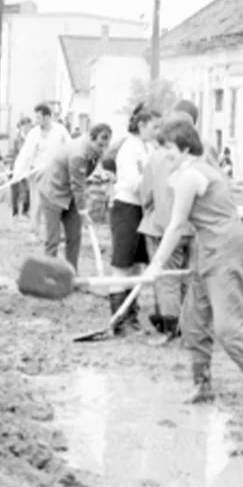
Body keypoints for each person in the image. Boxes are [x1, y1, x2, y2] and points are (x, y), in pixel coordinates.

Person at [144, 117, 243, 415]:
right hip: (206, 247)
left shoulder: (192, 175)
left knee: (228, 326)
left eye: (168, 147)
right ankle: (202, 383)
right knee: (193, 320)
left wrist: (156, 263)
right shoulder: (187, 173)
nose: (165, 154)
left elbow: (177, 224)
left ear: (183, 147)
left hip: (227, 249)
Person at [139, 110, 195, 340]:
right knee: (188, 277)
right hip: (194, 229)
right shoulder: (199, 157)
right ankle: (188, 323)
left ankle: (171, 327)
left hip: (164, 227)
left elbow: (146, 195)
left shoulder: (158, 157)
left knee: (167, 279)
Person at [110, 104, 161, 330]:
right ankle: (119, 317)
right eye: (154, 126)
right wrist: (155, 183)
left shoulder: (148, 147)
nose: (157, 131)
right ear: (141, 125)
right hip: (127, 208)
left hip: (144, 210)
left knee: (138, 264)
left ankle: (132, 311)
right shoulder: (129, 149)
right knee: (123, 263)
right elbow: (133, 182)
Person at [37, 124, 112, 272]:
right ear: (91, 138)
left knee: (74, 237)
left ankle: (71, 275)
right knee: (53, 240)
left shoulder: (94, 149)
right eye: (100, 145)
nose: (103, 149)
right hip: (53, 193)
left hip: (70, 196)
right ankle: (47, 276)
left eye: (106, 146)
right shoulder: (79, 154)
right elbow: (78, 186)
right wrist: (84, 213)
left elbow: (82, 180)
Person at [14, 103, 71, 231]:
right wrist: (18, 172)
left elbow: (69, 148)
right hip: (37, 173)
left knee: (56, 203)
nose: (36, 121)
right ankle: (34, 231)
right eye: (36, 117)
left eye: (39, 117)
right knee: (37, 203)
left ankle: (57, 232)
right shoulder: (34, 133)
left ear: (47, 117)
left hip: (55, 174)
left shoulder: (60, 131)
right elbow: (25, 153)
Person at [8, 116, 33, 217]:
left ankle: (25, 211)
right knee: (15, 191)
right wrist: (10, 167)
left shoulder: (32, 139)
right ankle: (15, 212)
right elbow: (11, 153)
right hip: (16, 168)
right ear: (22, 127)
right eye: (26, 126)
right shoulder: (16, 139)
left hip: (26, 169)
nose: (28, 129)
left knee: (28, 190)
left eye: (30, 127)